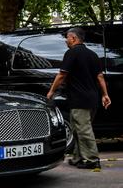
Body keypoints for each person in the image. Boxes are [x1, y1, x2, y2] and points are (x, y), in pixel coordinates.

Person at [46, 27, 111, 169]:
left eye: (67, 38)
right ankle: (78, 158)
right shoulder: (92, 54)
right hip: (92, 99)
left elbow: (62, 75)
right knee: (76, 129)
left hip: (79, 100)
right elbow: (100, 77)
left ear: (74, 38)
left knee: (84, 130)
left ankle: (92, 160)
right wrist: (105, 95)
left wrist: (51, 91)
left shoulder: (71, 53)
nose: (66, 41)